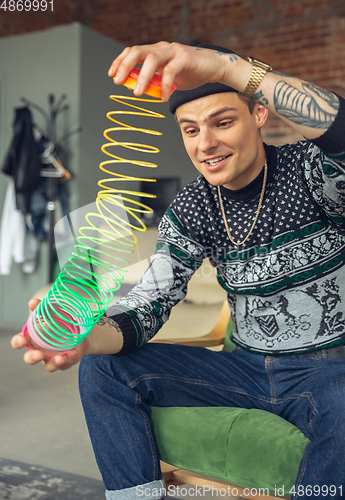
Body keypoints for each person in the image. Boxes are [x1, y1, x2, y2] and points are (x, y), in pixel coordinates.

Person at [11, 41, 345, 500]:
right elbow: (150, 302)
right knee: (102, 368)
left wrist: (225, 68)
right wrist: (87, 338)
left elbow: (340, 128)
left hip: (328, 372)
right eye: (190, 130)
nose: (205, 143)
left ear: (259, 115)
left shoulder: (310, 170)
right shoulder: (194, 205)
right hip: (244, 368)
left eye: (223, 122)